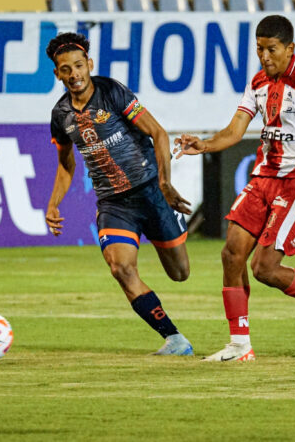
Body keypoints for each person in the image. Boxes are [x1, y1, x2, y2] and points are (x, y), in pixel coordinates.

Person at [175, 15, 295, 361]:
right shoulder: (257, 82)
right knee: (231, 253)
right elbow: (235, 130)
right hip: (264, 176)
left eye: (272, 49)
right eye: (259, 49)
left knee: (264, 268)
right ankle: (240, 345)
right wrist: (205, 145)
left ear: (290, 49)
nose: (265, 56)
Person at [45, 32, 195, 356]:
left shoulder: (111, 92)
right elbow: (66, 165)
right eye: (66, 69)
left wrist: (166, 184)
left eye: (79, 66)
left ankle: (167, 230)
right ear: (57, 73)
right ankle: (174, 339)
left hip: (150, 192)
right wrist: (54, 204)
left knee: (180, 273)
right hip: (114, 203)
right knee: (121, 269)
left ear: (90, 64)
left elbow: (158, 132)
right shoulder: (61, 116)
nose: (74, 74)